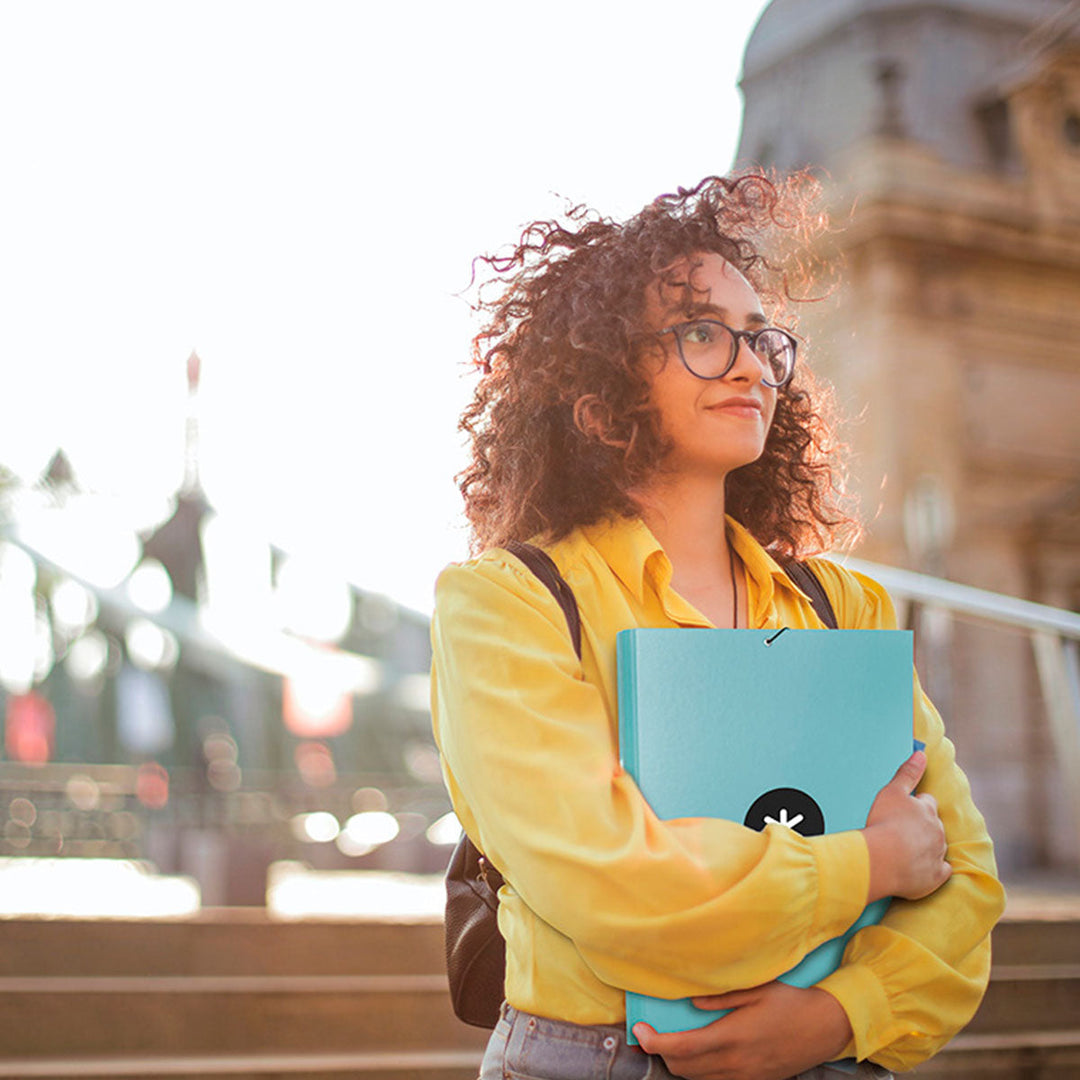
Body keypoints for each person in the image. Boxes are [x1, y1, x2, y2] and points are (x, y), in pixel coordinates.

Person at [430, 173, 1004, 1080]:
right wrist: (870, 863)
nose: (747, 365)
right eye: (700, 332)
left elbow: (966, 879)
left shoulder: (843, 610)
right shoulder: (508, 604)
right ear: (597, 390)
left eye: (758, 338)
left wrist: (841, 1015)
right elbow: (616, 887)